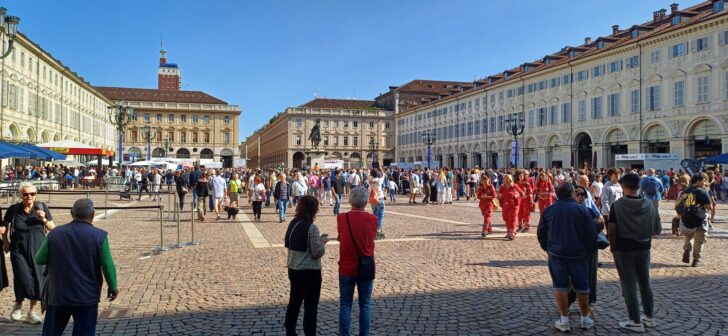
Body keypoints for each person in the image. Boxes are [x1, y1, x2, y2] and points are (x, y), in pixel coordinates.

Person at [36, 199, 119, 336]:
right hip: (86, 295)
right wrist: (113, 286)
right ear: (92, 214)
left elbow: (40, 259)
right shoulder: (99, 236)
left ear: (71, 213)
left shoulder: (55, 233)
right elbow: (107, 265)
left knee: (51, 332)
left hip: (58, 293)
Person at [537, 182, 597, 332]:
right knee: (582, 287)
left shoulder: (549, 210)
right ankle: (585, 319)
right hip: (579, 254)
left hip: (557, 254)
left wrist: (548, 248)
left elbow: (541, 233)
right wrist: (587, 251)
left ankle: (564, 320)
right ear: (572, 193)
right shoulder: (582, 210)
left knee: (560, 286)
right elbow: (592, 235)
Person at [607, 173, 661, 332]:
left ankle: (635, 320)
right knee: (645, 282)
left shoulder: (617, 205)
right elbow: (657, 228)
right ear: (639, 186)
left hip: (624, 248)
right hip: (644, 247)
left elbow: (612, 229)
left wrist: (612, 246)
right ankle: (649, 317)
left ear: (623, 186)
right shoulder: (650, 203)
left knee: (628, 283)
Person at [2, 182, 55, 324]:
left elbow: (52, 228)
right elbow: (4, 225)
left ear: (36, 195)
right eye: (25, 194)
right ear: (20, 195)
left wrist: (43, 218)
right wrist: (5, 240)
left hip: (39, 248)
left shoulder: (42, 207)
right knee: (22, 276)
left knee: (38, 278)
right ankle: (19, 303)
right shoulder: (14, 209)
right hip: (18, 248)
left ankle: (32, 312)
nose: (29, 197)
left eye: (32, 194)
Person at [284, 195, 330, 336]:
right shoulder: (312, 227)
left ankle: (290, 331)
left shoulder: (293, 223)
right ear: (313, 209)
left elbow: (288, 243)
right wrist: (322, 242)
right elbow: (317, 252)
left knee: (294, 302)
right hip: (309, 272)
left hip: (293, 269)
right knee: (310, 307)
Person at [337, 187, 377, 336]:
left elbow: (341, 236)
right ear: (366, 202)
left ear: (350, 200)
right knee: (365, 304)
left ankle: (344, 334)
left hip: (347, 267)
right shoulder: (373, 219)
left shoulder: (342, 218)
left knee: (345, 304)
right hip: (366, 266)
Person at [677, 173, 712, 267]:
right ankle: (696, 260)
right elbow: (710, 207)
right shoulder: (703, 192)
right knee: (699, 240)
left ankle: (687, 249)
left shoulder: (686, 190)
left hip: (686, 219)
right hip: (699, 218)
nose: (704, 182)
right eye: (703, 180)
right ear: (698, 181)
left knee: (689, 235)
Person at [496, 174, 522, 240]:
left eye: (506, 178)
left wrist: (517, 195)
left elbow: (521, 193)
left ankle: (512, 233)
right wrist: (499, 196)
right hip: (505, 205)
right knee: (506, 218)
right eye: (504, 178)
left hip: (514, 205)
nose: (504, 180)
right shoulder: (502, 187)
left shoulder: (514, 186)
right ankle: (509, 232)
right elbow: (499, 194)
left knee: (512, 218)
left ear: (509, 179)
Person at [369, 168, 386, 238]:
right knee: (381, 214)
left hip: (373, 199)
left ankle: (374, 227)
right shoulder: (379, 180)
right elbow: (383, 175)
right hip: (379, 198)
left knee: (375, 214)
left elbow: (368, 178)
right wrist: (381, 170)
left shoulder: (369, 180)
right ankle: (378, 228)